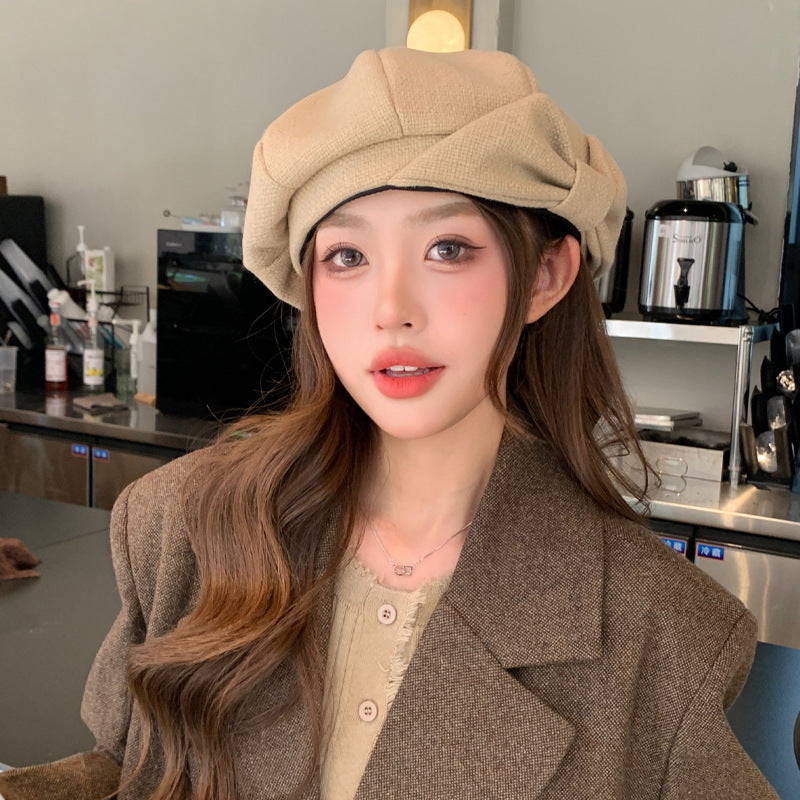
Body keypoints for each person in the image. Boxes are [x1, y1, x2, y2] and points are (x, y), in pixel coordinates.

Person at [0, 47, 778, 800]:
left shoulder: (661, 634)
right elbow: (127, 769)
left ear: (545, 277)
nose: (391, 310)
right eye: (347, 256)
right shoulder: (182, 524)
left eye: (448, 248)